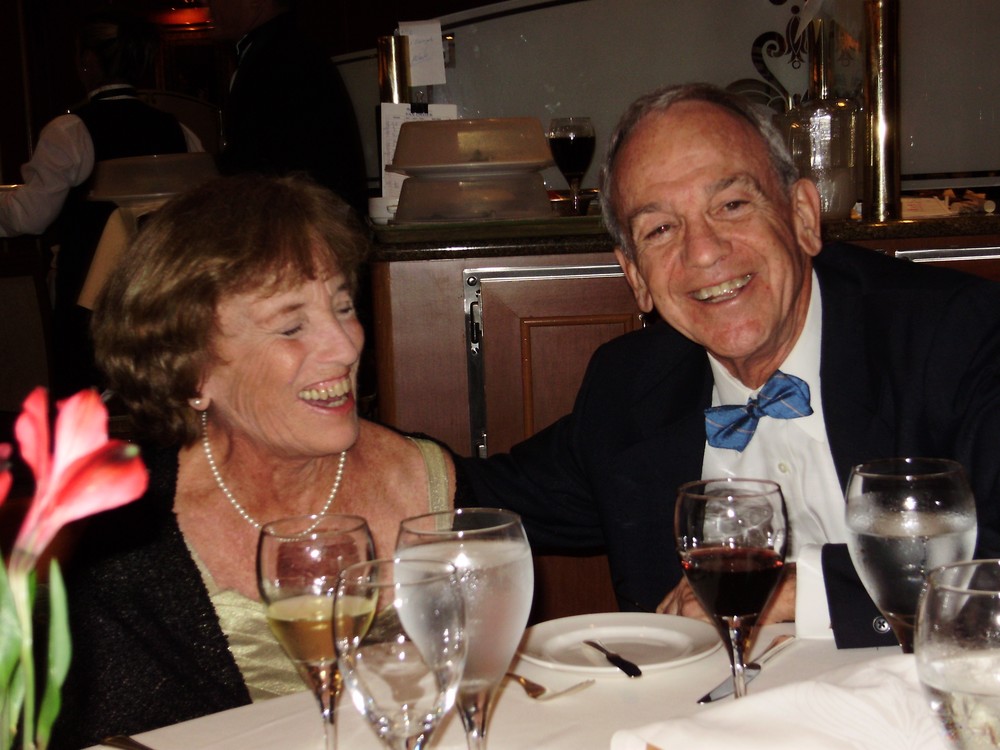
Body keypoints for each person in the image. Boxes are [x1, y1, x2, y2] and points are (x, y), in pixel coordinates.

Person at [457, 82, 1000, 649]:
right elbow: (489, 496)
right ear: (636, 275)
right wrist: (393, 459)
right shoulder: (631, 388)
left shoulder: (957, 338)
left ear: (803, 216)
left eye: (732, 205)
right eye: (660, 229)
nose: (704, 251)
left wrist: (793, 591)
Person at [50, 174, 462, 748]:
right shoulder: (120, 543)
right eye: (292, 326)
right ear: (193, 371)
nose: (346, 346)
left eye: (343, 306)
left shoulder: (423, 473)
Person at [0, 10, 202, 400]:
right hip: (165, 293)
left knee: (87, 405)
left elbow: (30, 216)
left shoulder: (69, 132)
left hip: (92, 300)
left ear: (88, 62)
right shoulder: (180, 131)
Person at [209, 0, 368, 216]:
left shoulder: (279, 58)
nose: (207, 3)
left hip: (301, 221)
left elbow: (258, 165)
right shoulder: (285, 48)